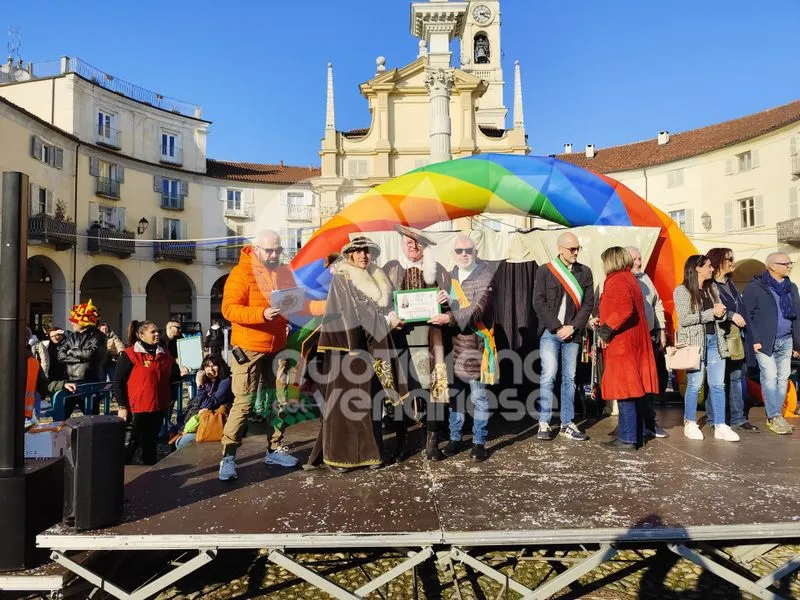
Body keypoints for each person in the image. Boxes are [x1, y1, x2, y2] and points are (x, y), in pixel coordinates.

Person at [218, 230, 325, 481]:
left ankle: (274, 449)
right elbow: (228, 309)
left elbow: (300, 305)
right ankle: (228, 456)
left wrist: (326, 305)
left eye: (278, 250)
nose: (275, 254)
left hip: (276, 348)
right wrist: (261, 315)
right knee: (243, 403)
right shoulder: (240, 273)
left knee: (279, 401)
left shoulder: (284, 273)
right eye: (270, 250)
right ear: (256, 249)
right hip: (248, 348)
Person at [306, 236, 408, 472]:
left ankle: (370, 455)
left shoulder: (378, 276)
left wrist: (392, 317)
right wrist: (383, 324)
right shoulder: (343, 277)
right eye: (358, 252)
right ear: (350, 255)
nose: (363, 255)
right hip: (347, 351)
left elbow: (380, 308)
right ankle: (339, 458)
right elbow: (351, 314)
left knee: (368, 403)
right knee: (344, 404)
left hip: (371, 346)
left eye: (367, 251)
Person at [383, 225, 450, 461]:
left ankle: (432, 443)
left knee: (435, 390)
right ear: (403, 244)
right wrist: (390, 316)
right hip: (401, 340)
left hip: (431, 340)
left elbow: (455, 302)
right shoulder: (390, 268)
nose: (414, 247)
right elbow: (381, 302)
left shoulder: (439, 270)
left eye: (418, 244)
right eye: (410, 243)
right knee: (402, 391)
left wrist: (446, 299)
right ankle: (401, 444)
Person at [431, 234, 496, 462]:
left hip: (476, 345)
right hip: (454, 345)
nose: (464, 254)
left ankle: (479, 442)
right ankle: (456, 438)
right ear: (453, 254)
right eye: (459, 251)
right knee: (456, 396)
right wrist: (441, 300)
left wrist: (448, 317)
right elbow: (450, 305)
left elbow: (478, 310)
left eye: (468, 249)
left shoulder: (486, 274)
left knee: (478, 397)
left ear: (475, 251)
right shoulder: (450, 277)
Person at [532, 231, 595, 441]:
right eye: (572, 249)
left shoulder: (585, 272)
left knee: (570, 378)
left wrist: (573, 327)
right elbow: (538, 302)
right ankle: (544, 422)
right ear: (560, 249)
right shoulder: (545, 271)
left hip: (573, 335)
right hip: (551, 332)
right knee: (548, 376)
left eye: (578, 248)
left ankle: (567, 424)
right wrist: (558, 327)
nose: (576, 252)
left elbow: (588, 304)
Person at [595, 247, 659, 450]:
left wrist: (605, 330)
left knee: (625, 391)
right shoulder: (629, 278)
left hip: (623, 343)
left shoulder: (618, 279)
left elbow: (624, 309)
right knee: (633, 390)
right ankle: (633, 435)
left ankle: (628, 438)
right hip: (632, 341)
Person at [674, 255, 739, 442]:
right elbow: (685, 319)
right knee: (695, 384)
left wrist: (723, 312)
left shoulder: (712, 289)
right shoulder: (682, 291)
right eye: (709, 266)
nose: (712, 269)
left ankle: (720, 424)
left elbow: (718, 313)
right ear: (697, 268)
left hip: (715, 340)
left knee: (718, 384)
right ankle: (690, 422)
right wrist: (712, 313)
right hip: (695, 344)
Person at [742, 252, 800, 435]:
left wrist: (797, 344)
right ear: (772, 266)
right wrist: (755, 340)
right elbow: (748, 316)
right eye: (785, 263)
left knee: (783, 378)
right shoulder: (755, 287)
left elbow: (797, 316)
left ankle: (777, 416)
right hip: (764, 342)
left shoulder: (792, 287)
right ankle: (773, 416)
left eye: (790, 263)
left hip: (787, 339)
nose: (789, 266)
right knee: (770, 376)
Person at [115, 321, 182, 465]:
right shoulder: (130, 354)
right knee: (131, 443)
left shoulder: (164, 353)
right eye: (152, 332)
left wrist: (182, 371)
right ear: (141, 335)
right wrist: (122, 406)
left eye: (157, 331)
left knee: (151, 442)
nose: (157, 334)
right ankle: (121, 476)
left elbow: (173, 374)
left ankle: (149, 472)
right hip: (137, 408)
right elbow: (118, 381)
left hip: (158, 406)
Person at [707, 248, 758, 433]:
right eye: (729, 259)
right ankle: (715, 418)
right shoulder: (709, 285)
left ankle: (738, 418)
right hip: (720, 337)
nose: (732, 262)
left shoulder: (730, 283)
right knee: (718, 380)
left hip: (737, 338)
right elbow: (710, 308)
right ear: (719, 261)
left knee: (737, 377)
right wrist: (730, 315)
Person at [625, 246, 669, 438]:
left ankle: (650, 423)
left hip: (650, 336)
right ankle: (634, 426)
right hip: (631, 340)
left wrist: (661, 329)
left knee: (649, 383)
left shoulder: (645, 278)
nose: (639, 262)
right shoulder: (620, 280)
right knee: (633, 384)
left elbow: (657, 303)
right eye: (635, 259)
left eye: (640, 258)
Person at [57, 299, 107, 418]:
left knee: (91, 419)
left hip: (89, 382)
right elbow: (60, 356)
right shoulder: (72, 336)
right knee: (61, 417)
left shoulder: (98, 336)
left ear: (84, 321)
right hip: (70, 383)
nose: (72, 323)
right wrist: (81, 358)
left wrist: (72, 351)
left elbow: (91, 354)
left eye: (75, 321)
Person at [175, 354, 233, 448]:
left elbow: (209, 403)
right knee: (176, 437)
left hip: (219, 422)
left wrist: (200, 386)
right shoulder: (207, 382)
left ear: (221, 366)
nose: (211, 369)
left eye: (214, 365)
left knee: (181, 443)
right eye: (207, 366)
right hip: (205, 420)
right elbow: (194, 405)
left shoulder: (225, 381)